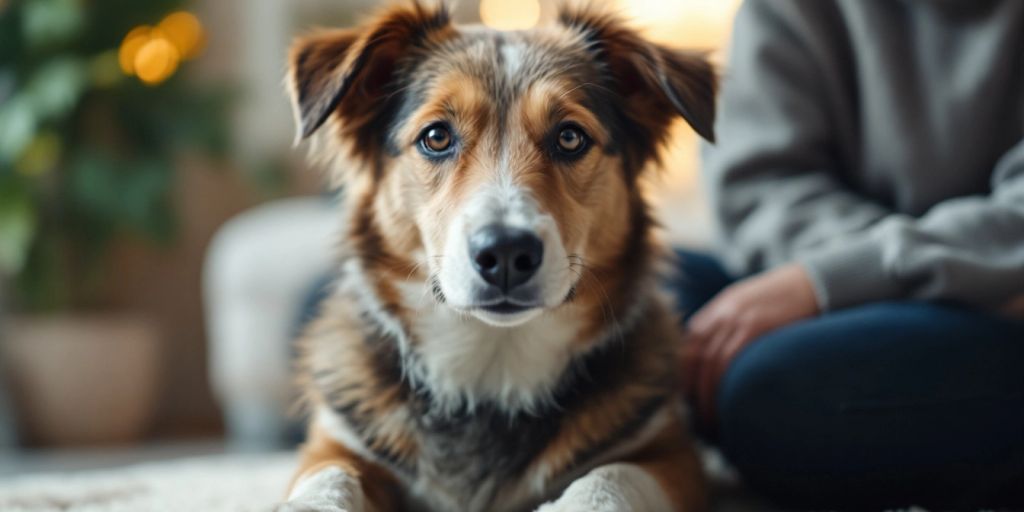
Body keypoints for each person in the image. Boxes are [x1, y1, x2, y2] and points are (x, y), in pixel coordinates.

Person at [678, 0, 1024, 508]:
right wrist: (842, 280)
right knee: (638, 296)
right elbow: (760, 187)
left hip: (998, 307)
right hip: (956, 276)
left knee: (777, 393)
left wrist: (824, 284)